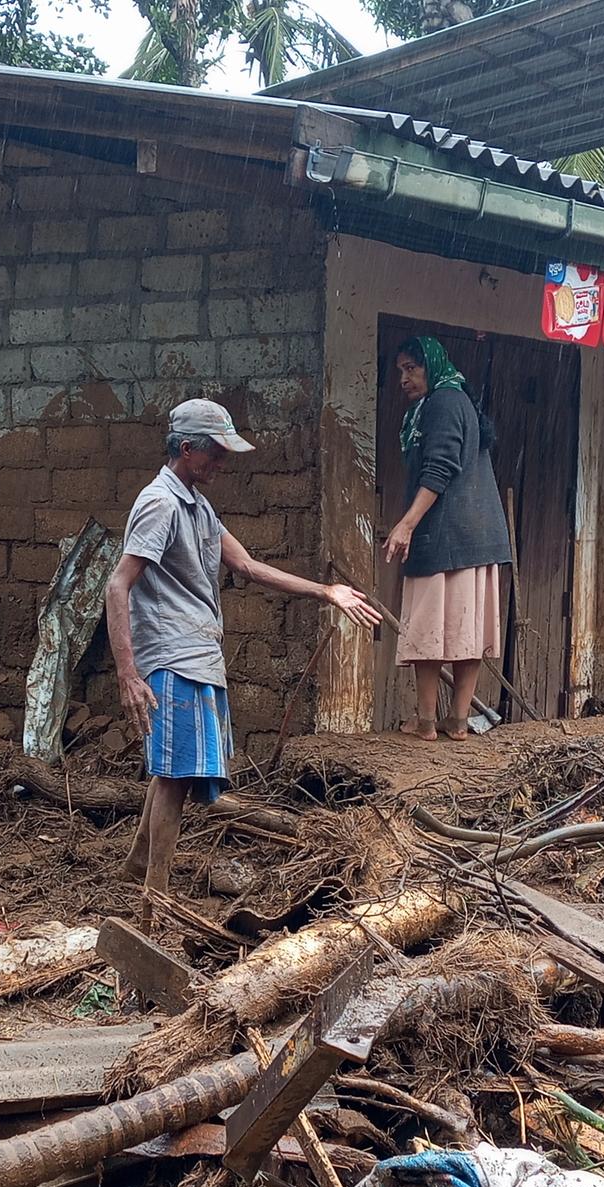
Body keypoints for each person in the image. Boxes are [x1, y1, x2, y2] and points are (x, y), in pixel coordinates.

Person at [106, 398, 380, 924]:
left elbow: (248, 566)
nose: (222, 464)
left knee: (175, 772)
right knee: (175, 776)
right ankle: (155, 898)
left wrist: (325, 592)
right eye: (215, 453)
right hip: (172, 655)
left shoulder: (197, 504)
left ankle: (137, 867)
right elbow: (119, 586)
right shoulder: (160, 503)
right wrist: (127, 673)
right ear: (187, 450)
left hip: (198, 654)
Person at [382, 335, 510, 741]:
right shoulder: (456, 402)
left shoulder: (441, 404)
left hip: (445, 536)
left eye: (412, 369)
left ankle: (424, 721)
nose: (404, 378)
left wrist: (407, 524)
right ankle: (456, 721)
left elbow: (439, 468)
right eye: (401, 370)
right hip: (475, 535)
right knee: (465, 631)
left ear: (432, 367)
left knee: (428, 629)